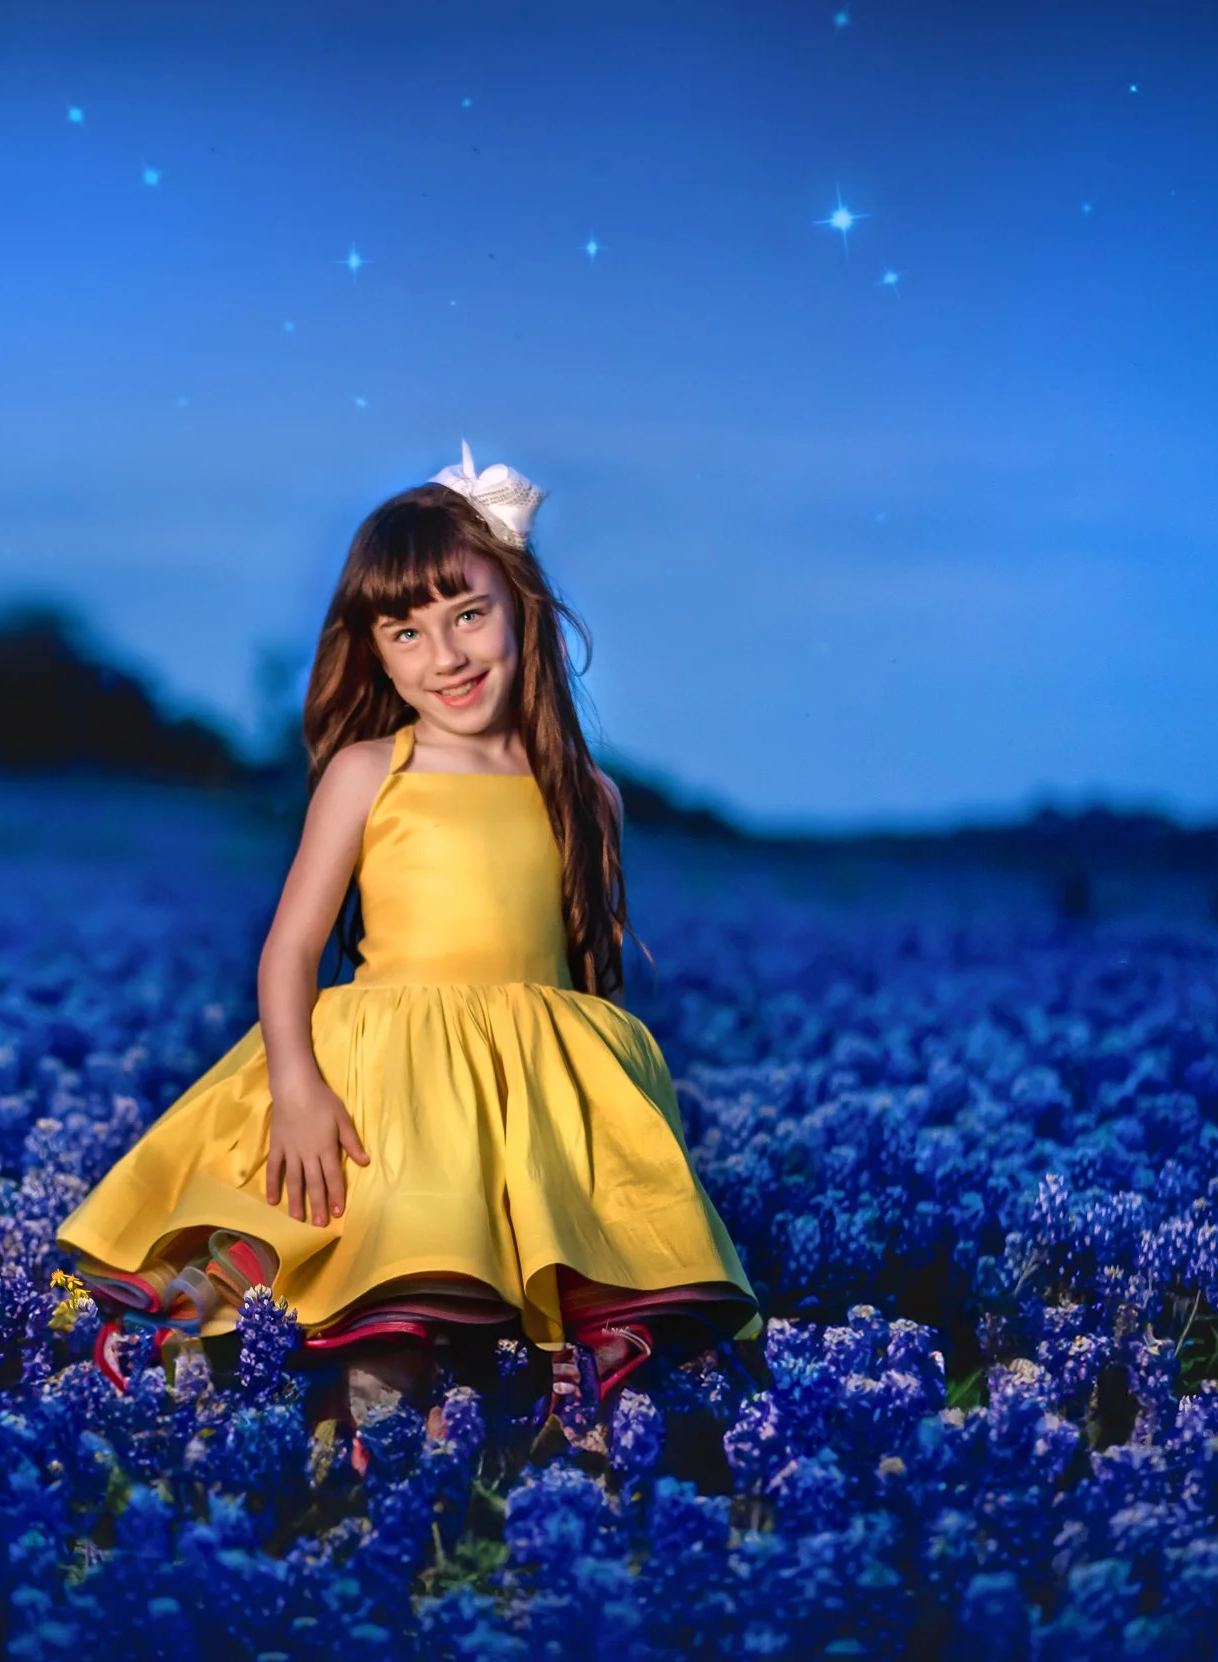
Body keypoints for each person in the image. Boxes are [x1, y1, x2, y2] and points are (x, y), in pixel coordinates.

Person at [54, 440, 759, 1432]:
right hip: (384, 1083)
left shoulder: (587, 794)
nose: (447, 655)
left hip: (526, 1087)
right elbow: (290, 948)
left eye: (469, 614)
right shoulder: (367, 770)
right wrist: (296, 1087)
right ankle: (343, 1476)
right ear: (376, 650)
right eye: (407, 631)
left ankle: (528, 1488)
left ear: (522, 605)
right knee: (378, 1305)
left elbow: (589, 980)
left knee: (552, 1332)